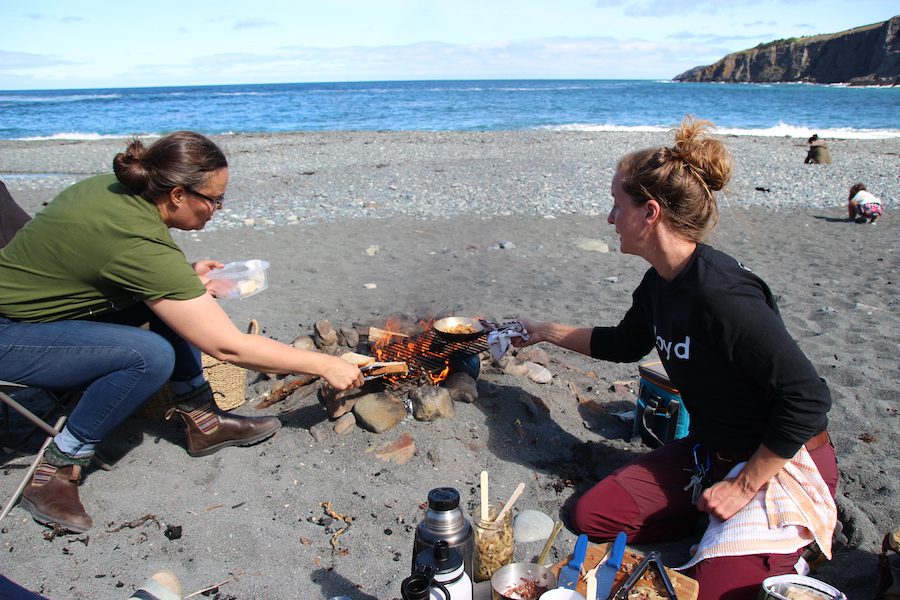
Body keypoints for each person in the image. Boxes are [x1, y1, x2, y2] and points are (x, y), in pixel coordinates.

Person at [514, 118, 838, 600]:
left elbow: (808, 398)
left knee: (714, 594)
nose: (609, 219)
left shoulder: (722, 295)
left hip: (779, 459)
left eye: (616, 205)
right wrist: (545, 332)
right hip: (712, 453)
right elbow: (623, 345)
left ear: (649, 212)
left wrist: (743, 486)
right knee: (589, 517)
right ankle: (712, 513)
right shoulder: (658, 285)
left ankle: (786, 542)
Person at [0, 131, 364, 534]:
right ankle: (56, 467)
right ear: (176, 194)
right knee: (149, 356)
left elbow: (111, 266)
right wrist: (324, 364)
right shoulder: (136, 240)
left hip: (37, 312)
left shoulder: (116, 191)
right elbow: (227, 346)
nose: (218, 209)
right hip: (10, 333)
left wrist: (184, 279)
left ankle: (204, 421)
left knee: (182, 304)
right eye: (214, 199)